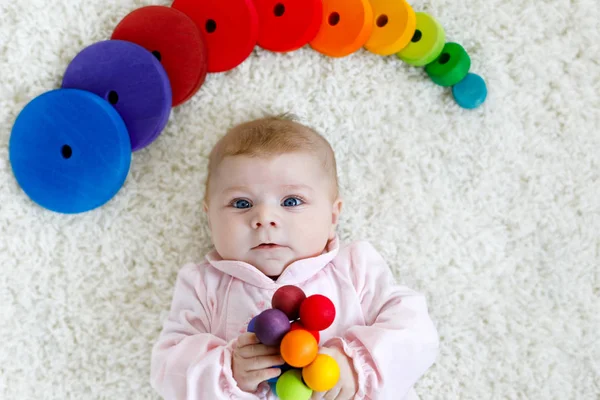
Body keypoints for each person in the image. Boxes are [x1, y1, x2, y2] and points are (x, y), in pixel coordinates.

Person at [150, 114, 439, 399]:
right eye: (241, 203)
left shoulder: (354, 267)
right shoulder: (202, 284)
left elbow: (414, 331)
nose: (264, 218)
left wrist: (355, 365)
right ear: (210, 219)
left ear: (333, 216)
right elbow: (167, 369)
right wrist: (229, 371)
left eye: (291, 201)